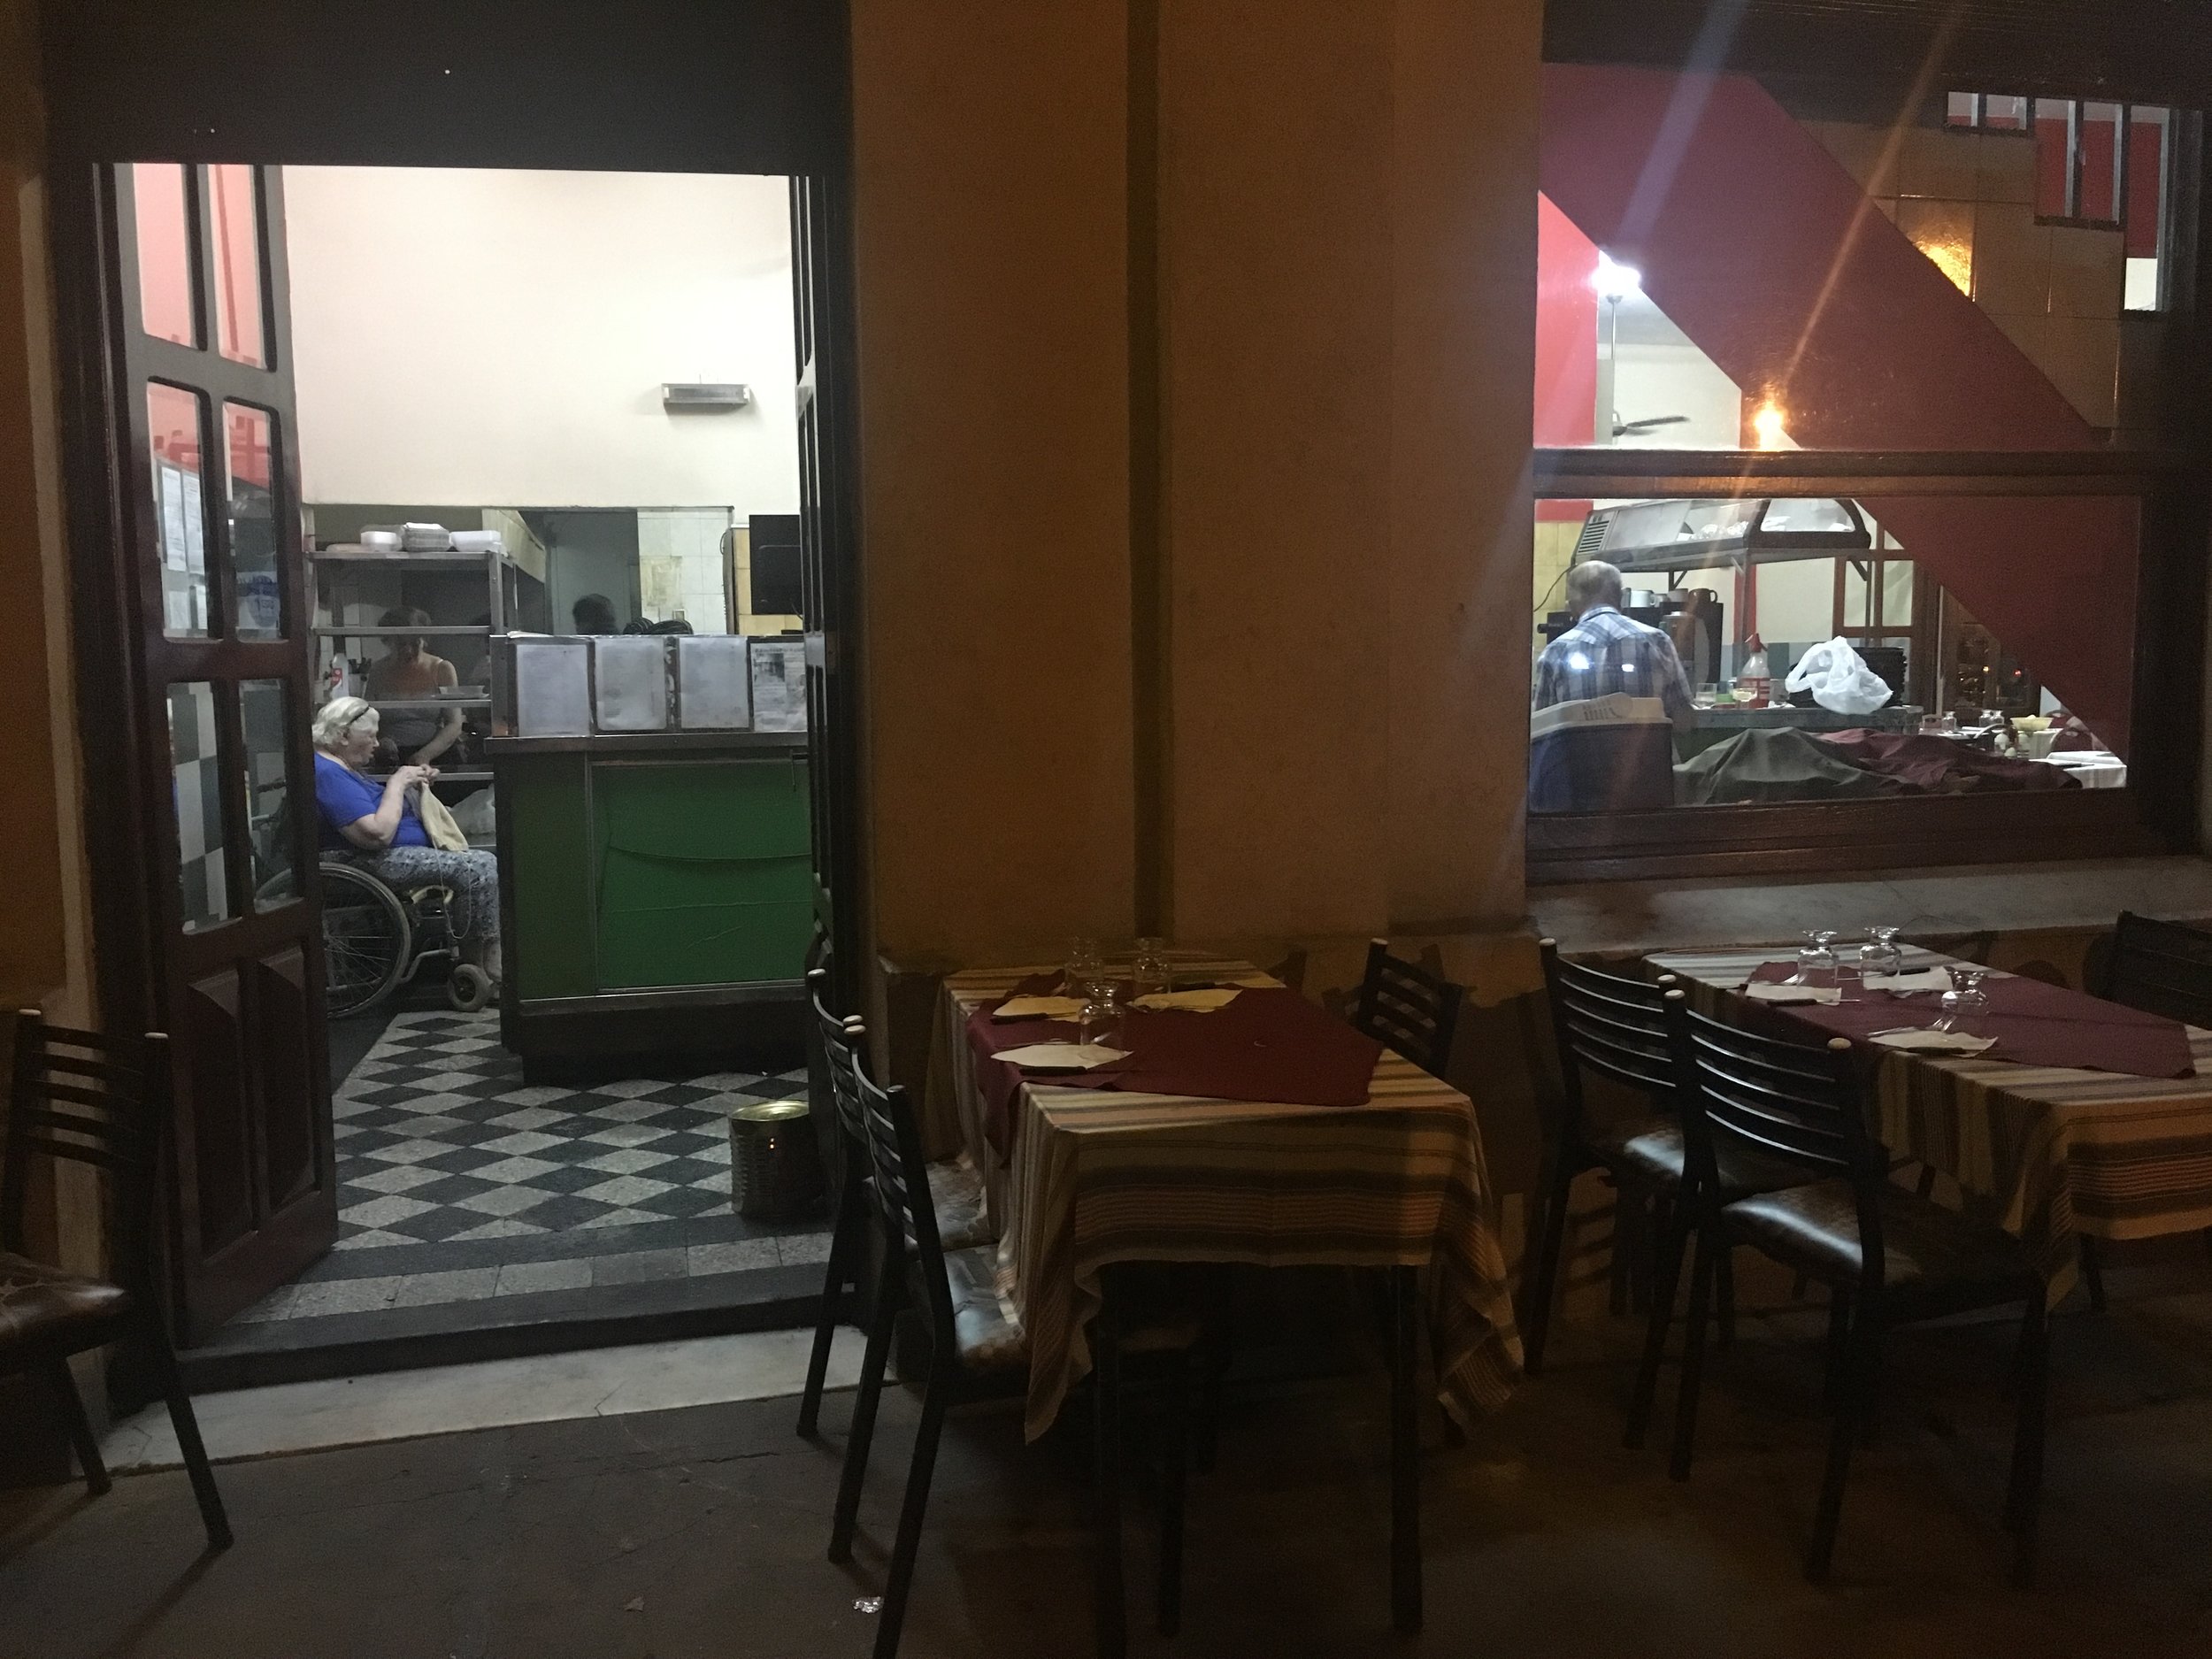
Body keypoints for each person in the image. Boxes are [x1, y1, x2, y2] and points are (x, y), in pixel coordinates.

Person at [311, 696, 500, 979]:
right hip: (363, 860)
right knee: (479, 868)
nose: (377, 744)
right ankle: (479, 964)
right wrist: (398, 783)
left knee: (479, 857)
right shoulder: (327, 773)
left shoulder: (340, 767)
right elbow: (377, 835)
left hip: (380, 855)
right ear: (343, 736)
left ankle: (484, 960)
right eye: (371, 736)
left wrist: (412, 784)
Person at [1532, 559, 1694, 730]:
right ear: (1622, 598)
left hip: (1580, 756)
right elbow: (1685, 721)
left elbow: (1539, 729)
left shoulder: (1556, 650)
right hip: (1650, 756)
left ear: (1570, 607)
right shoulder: (1658, 641)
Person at [363, 606, 465, 764]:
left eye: (415, 643)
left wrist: (424, 755)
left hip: (436, 755)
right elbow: (367, 719)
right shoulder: (378, 671)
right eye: (401, 644)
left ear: (424, 640)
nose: (409, 651)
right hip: (391, 758)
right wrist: (380, 742)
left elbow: (454, 723)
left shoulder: (442, 669)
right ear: (387, 641)